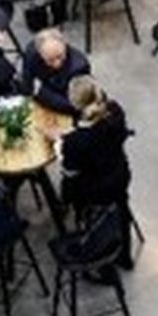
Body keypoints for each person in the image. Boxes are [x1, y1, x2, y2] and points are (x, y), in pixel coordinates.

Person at [58, 76, 137, 268]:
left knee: (69, 189)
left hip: (95, 190)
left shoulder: (76, 141)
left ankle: (94, 249)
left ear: (75, 104)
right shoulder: (115, 111)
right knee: (121, 204)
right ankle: (125, 256)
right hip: (120, 175)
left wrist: (60, 144)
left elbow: (70, 172)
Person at [21, 26, 94, 116]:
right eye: (50, 60)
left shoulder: (80, 67)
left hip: (64, 111)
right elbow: (27, 86)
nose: (57, 63)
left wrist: (41, 91)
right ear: (40, 54)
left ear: (64, 45)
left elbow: (76, 104)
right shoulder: (32, 53)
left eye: (60, 56)